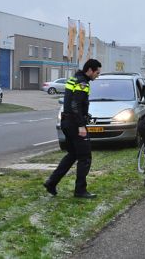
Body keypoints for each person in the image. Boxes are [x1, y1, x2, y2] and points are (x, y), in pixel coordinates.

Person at [44, 59, 102, 198]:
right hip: (75, 124)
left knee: (73, 155)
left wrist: (84, 115)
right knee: (85, 157)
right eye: (97, 72)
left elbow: (71, 102)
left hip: (66, 122)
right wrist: (81, 125)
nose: (97, 76)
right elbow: (76, 104)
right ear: (90, 70)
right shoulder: (83, 83)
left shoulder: (74, 79)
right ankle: (80, 190)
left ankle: (52, 182)